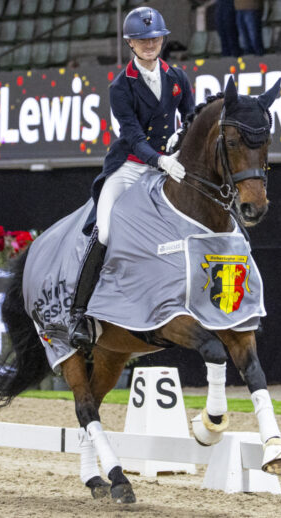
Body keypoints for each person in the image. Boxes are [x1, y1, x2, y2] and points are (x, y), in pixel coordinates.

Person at [68, 6, 195, 347]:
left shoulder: (178, 78)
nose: (149, 44)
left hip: (170, 164)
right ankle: (78, 315)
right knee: (105, 229)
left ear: (163, 39)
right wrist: (161, 161)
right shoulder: (121, 86)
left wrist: (180, 141)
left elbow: (191, 120)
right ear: (131, 44)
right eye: (142, 39)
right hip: (130, 167)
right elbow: (133, 137)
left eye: (154, 38)